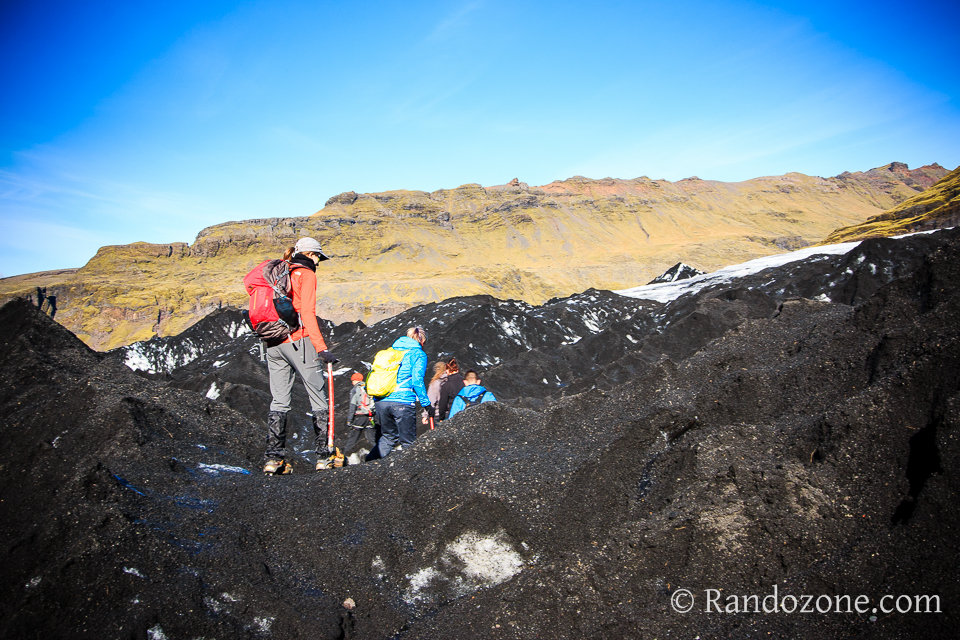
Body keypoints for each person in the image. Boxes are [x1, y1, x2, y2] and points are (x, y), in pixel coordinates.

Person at [262, 237, 339, 474]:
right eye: (319, 258)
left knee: (279, 400)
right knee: (317, 397)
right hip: (298, 340)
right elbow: (307, 312)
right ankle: (323, 457)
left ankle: (273, 460)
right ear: (312, 255)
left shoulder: (278, 271)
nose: (318, 262)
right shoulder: (306, 274)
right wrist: (321, 348)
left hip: (272, 342)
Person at [368, 326, 434, 460]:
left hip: (381, 401)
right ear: (421, 340)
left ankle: (368, 465)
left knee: (388, 437)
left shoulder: (390, 351)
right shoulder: (418, 354)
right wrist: (427, 404)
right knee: (408, 442)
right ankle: (410, 474)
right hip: (402, 401)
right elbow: (417, 381)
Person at [344, 372, 377, 455]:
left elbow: (352, 405)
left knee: (353, 437)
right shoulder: (368, 387)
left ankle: (343, 456)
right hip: (370, 416)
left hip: (359, 417)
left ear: (355, 380)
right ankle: (380, 454)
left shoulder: (355, 390)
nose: (352, 382)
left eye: (353, 380)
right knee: (371, 438)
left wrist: (349, 420)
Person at [422, 361, 447, 425]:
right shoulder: (450, 380)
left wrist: (425, 415)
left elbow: (431, 400)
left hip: (438, 415)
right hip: (451, 412)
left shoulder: (435, 383)